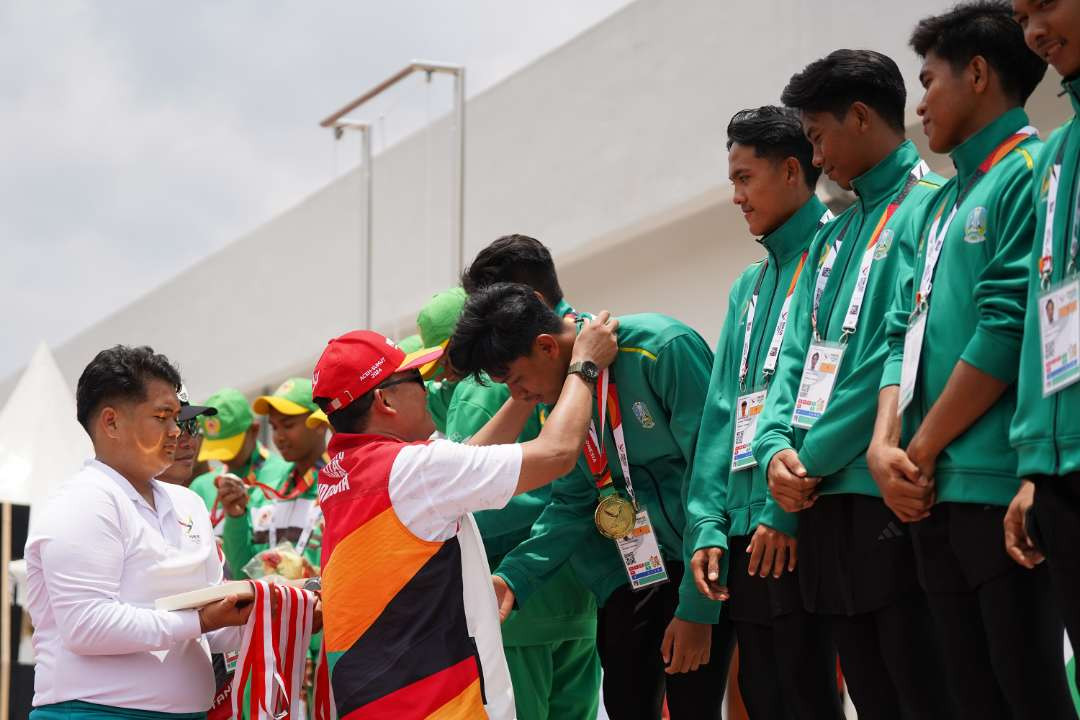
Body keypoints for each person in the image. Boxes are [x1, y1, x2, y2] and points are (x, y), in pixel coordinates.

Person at [870, 5, 1072, 717]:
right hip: (931, 493)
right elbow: (904, 331)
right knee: (966, 696)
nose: (918, 103)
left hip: (992, 482)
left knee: (1029, 689)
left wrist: (916, 450)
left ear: (980, 74)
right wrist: (883, 446)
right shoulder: (938, 204)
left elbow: (1005, 325)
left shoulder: (1028, 169)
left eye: (927, 82)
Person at [750, 49, 951, 719]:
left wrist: (806, 457)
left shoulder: (927, 209)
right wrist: (775, 443)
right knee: (866, 693)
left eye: (818, 138)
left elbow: (891, 359)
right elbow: (795, 362)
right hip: (819, 504)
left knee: (920, 691)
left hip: (879, 497)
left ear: (860, 118)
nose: (816, 157)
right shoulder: (833, 238)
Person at [447, 282, 735, 720]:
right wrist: (513, 578)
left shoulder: (660, 349)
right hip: (635, 569)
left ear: (546, 346)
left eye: (517, 381)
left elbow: (712, 471)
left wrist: (697, 608)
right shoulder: (567, 390)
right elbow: (574, 501)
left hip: (701, 563)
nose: (519, 397)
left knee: (695, 704)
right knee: (624, 702)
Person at [313, 321, 618, 720]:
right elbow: (557, 454)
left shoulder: (346, 473)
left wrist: (524, 396)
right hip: (435, 703)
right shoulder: (412, 470)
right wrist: (584, 366)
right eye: (417, 379)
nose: (428, 390)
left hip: (382, 700)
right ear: (385, 401)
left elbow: (467, 457)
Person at [686, 105, 842, 719]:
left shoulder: (837, 255)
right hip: (745, 534)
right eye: (732, 181)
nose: (736, 196)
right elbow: (721, 419)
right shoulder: (748, 285)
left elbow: (828, 392)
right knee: (764, 696)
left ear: (792, 171)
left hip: (807, 521)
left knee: (810, 695)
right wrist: (706, 525)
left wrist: (784, 507)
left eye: (745, 178)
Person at [24, 345, 250, 719]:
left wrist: (273, 611)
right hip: (92, 713)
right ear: (111, 423)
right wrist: (202, 620)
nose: (178, 432)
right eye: (162, 417)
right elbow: (87, 625)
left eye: (178, 418)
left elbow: (217, 630)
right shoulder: (83, 501)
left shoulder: (188, 503)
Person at [448, 235, 601, 720]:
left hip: (516, 605)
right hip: (593, 590)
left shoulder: (489, 388)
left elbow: (470, 504)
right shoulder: (597, 343)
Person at [1008, 0, 1080, 697]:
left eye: (1047, 5)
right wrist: (1034, 466)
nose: (1032, 32)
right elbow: (1039, 320)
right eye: (1020, 13)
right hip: (1060, 474)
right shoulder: (1056, 155)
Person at [188, 389, 292, 572]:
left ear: (254, 430)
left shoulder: (286, 476)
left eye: (230, 447)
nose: (224, 459)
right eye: (216, 449)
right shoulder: (201, 487)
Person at [157, 385, 217, 487]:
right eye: (176, 429)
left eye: (192, 425)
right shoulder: (122, 500)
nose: (188, 443)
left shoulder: (190, 499)